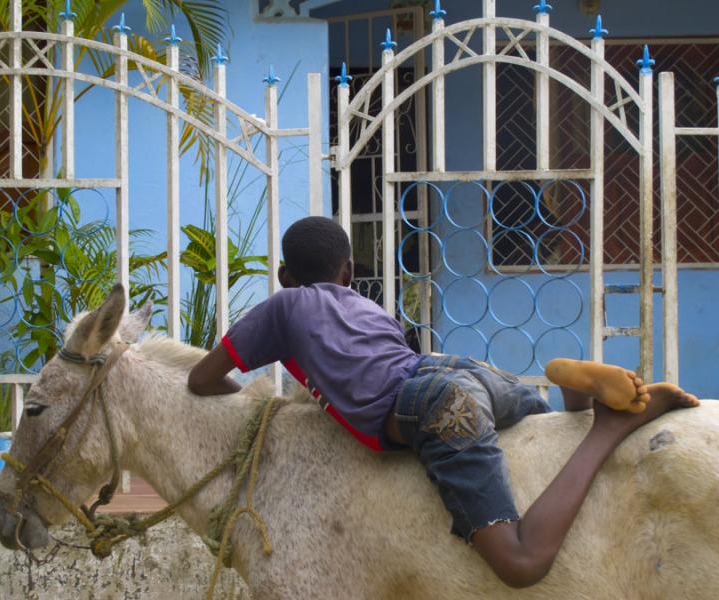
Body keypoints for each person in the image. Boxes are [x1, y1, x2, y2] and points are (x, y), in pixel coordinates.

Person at [187, 216, 699, 588]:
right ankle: (572, 391)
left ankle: (605, 428)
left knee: (520, 563)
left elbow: (202, 379)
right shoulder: (367, 309)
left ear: (283, 275)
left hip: (433, 404)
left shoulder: (283, 306)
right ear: (347, 274)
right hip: (455, 369)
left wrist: (256, 410)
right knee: (541, 437)